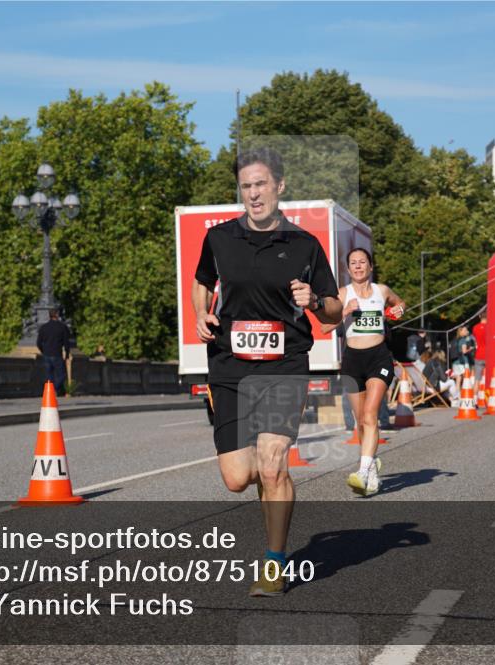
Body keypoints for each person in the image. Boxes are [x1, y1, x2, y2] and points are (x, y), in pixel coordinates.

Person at [191, 148, 342, 597]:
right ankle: (264, 472)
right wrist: (201, 313)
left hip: (286, 366)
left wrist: (314, 301)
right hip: (230, 367)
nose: (254, 193)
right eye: (246, 186)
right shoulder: (218, 240)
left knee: (274, 464)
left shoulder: (303, 245)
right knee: (239, 478)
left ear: (279, 186)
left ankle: (274, 562)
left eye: (261, 184)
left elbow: (334, 314)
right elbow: (201, 282)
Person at [320, 247, 404, 497]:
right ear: (348, 269)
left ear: (370, 266)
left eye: (362, 262)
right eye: (353, 263)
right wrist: (345, 311)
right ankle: (372, 467)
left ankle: (363, 470)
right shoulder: (342, 294)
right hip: (352, 361)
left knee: (370, 415)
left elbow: (400, 303)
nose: (358, 266)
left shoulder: (382, 291)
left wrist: (397, 310)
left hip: (378, 357)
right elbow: (325, 327)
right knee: (361, 421)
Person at [36, 309, 71, 395]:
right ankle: (55, 388)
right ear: (57, 315)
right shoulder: (62, 327)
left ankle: (51, 391)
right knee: (61, 374)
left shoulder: (44, 327)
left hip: (47, 354)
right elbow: (66, 342)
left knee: (49, 375)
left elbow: (38, 342)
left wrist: (43, 351)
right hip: (57, 354)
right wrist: (66, 354)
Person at [471, 313, 488, 385]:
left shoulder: (475, 327)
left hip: (478, 355)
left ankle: (475, 395)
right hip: (488, 355)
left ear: (479, 316)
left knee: (477, 379)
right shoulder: (490, 327)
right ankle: (488, 395)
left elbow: (475, 339)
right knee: (490, 378)